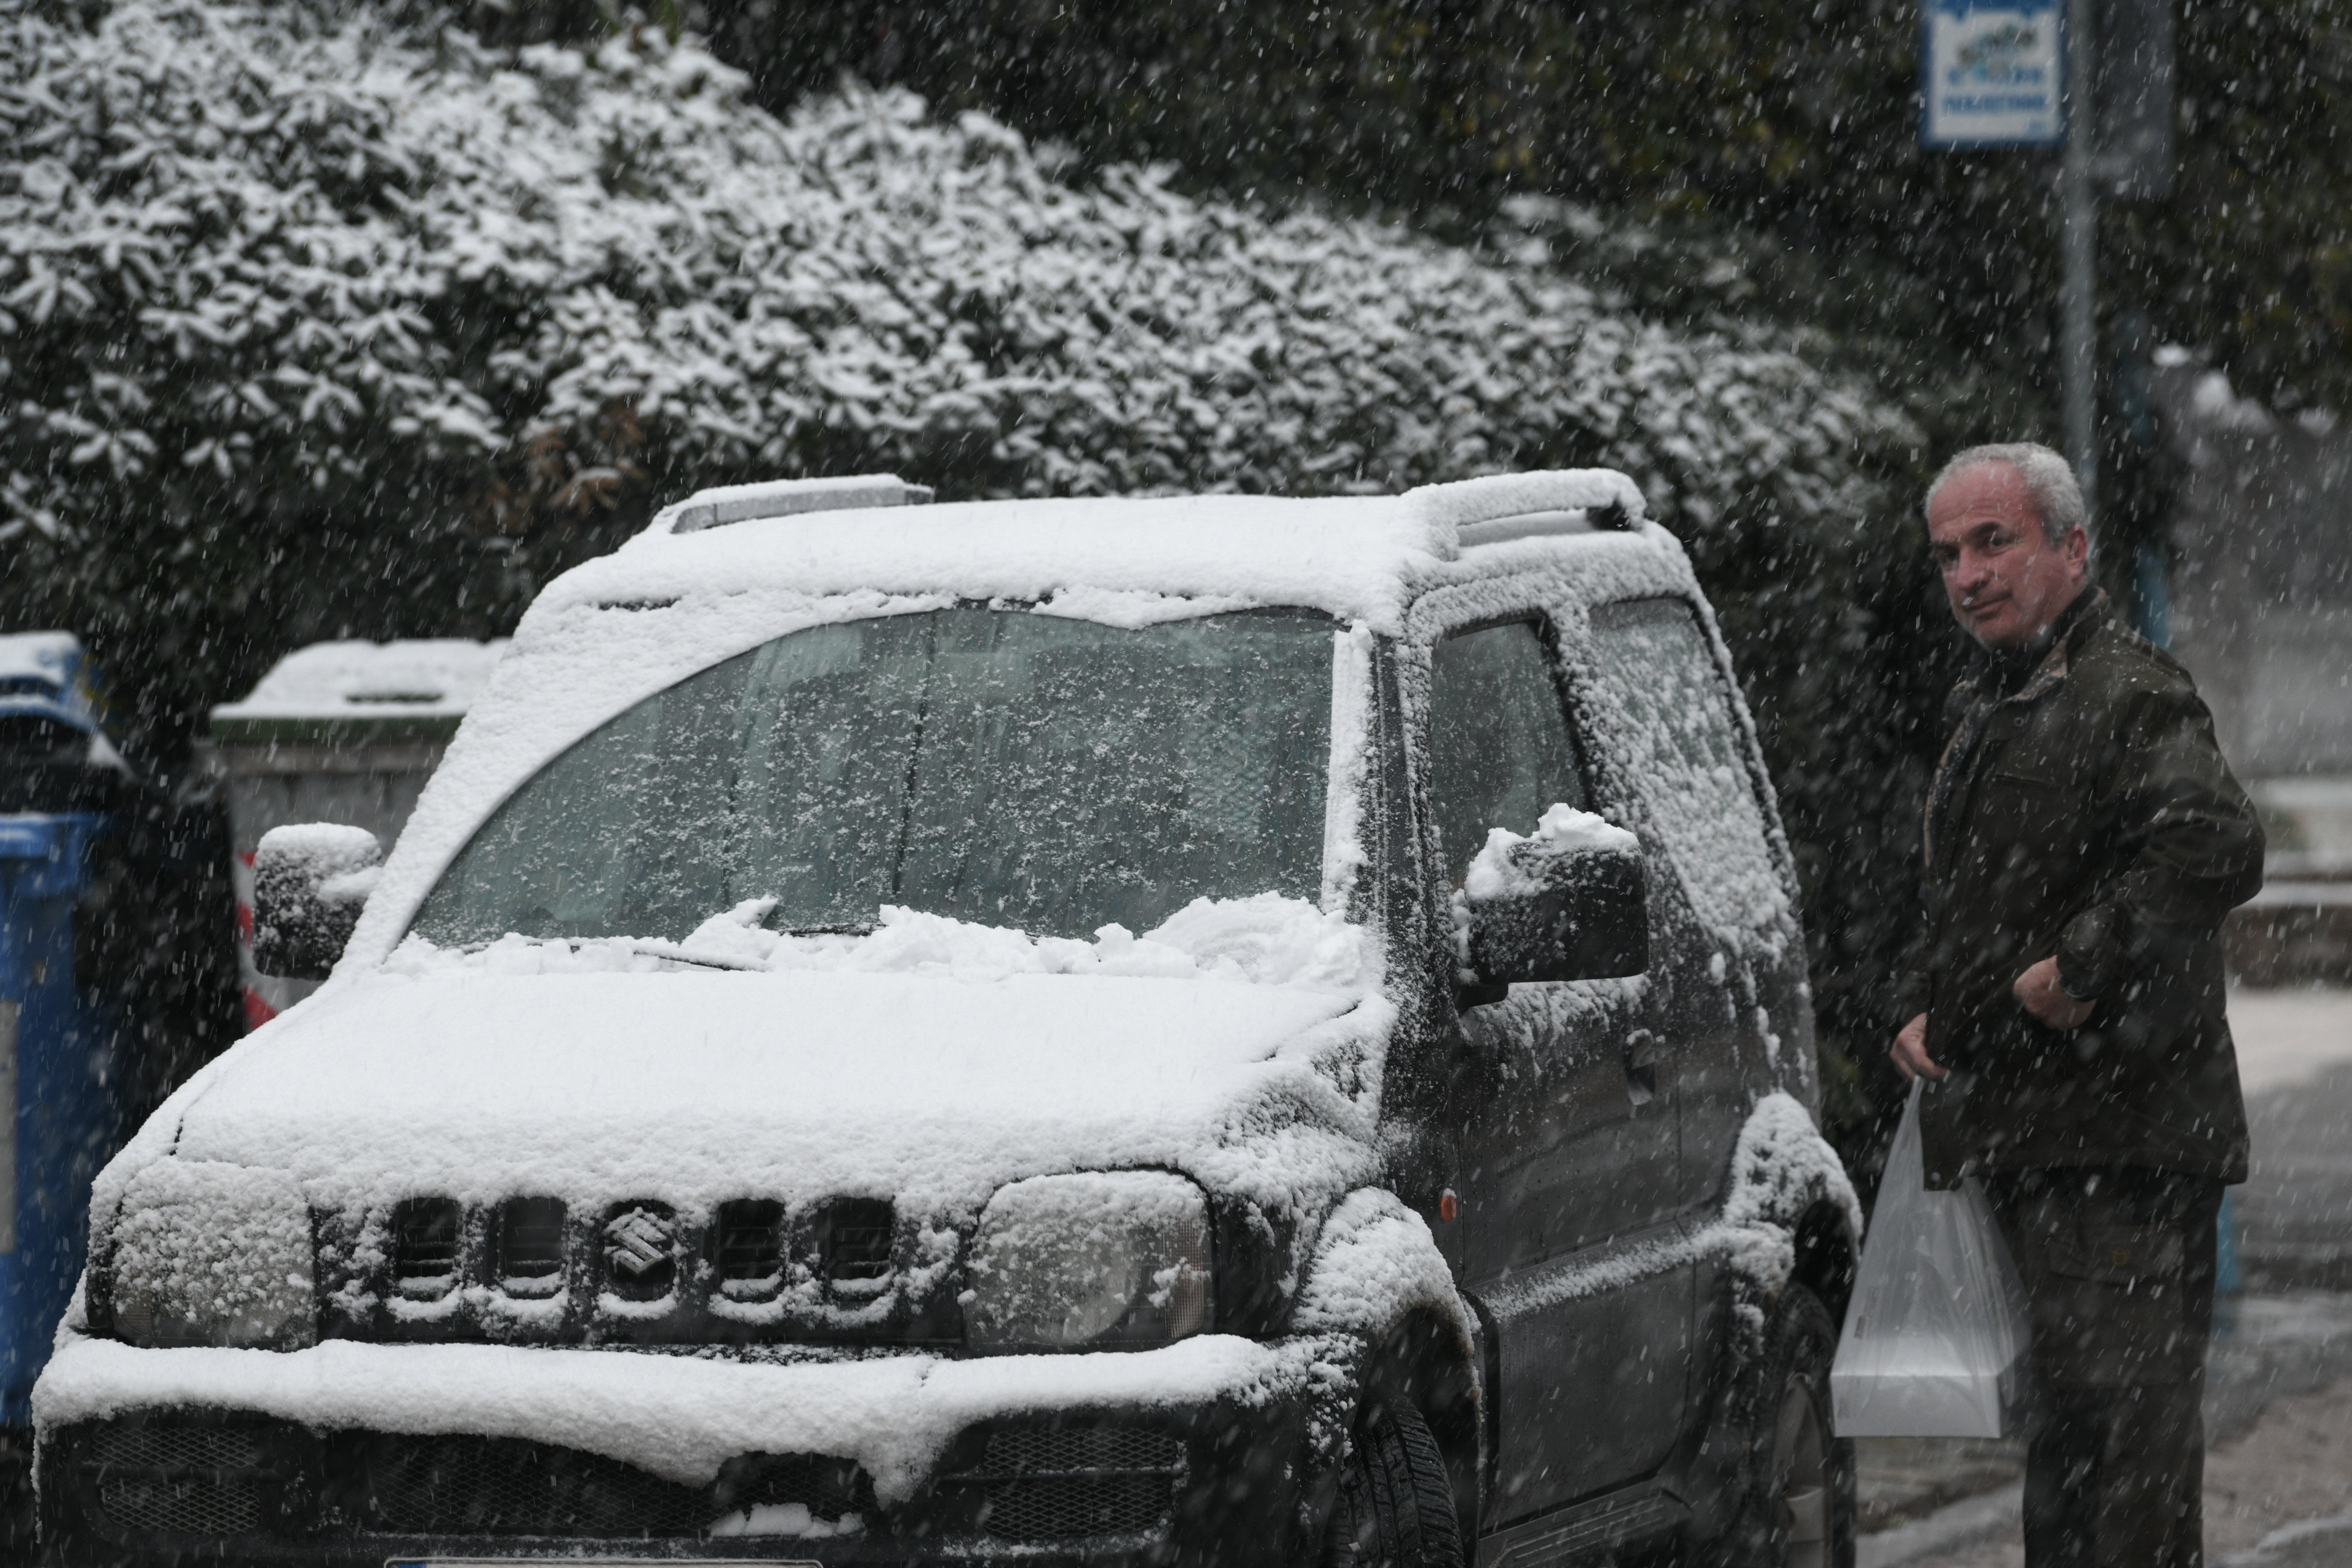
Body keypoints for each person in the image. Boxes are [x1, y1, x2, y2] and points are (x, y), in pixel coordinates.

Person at [1889, 442, 2264, 1568]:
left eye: (1994, 542)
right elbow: (1993, 897)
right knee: (2075, 1453)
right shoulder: (1994, 701)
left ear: (2073, 547)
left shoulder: (2126, 691)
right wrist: (1925, 1005)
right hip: (2043, 1145)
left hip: (2127, 1151)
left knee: (2126, 1459)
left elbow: (2218, 843)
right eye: (1949, 554)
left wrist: (2085, 966)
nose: (1968, 574)